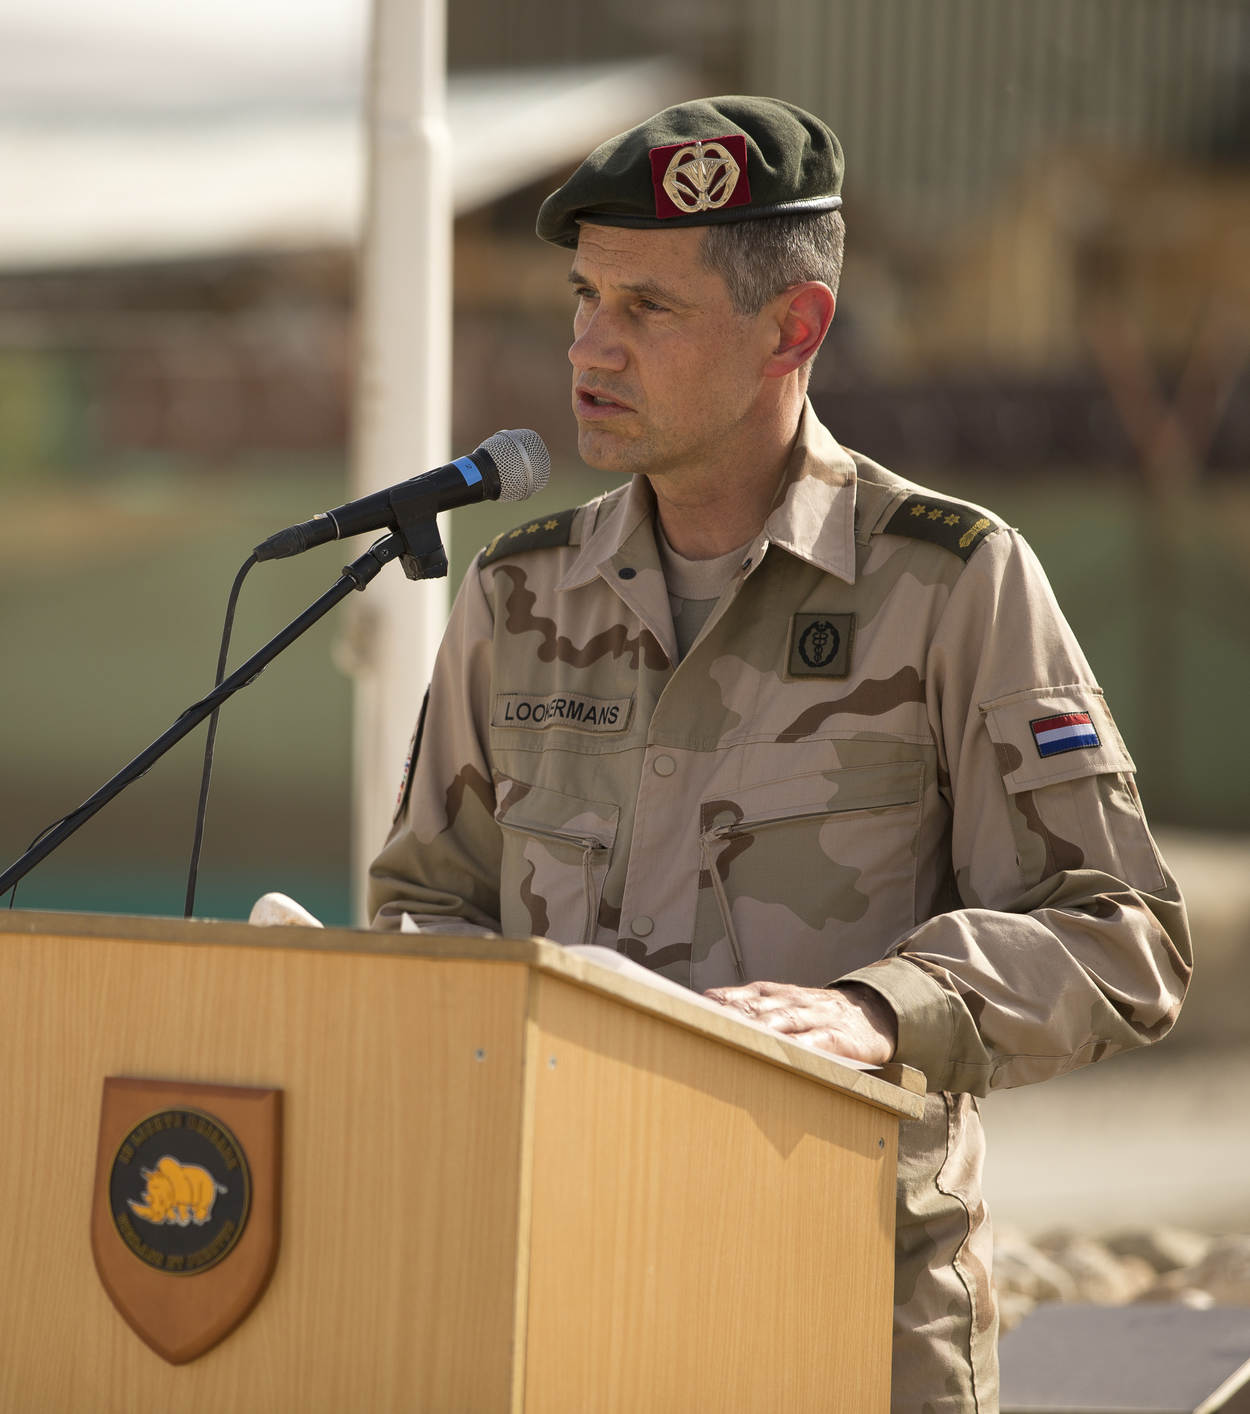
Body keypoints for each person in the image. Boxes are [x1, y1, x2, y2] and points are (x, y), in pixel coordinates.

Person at [368, 96, 1191, 1412]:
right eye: (584, 298)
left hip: (842, 1309)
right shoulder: (520, 598)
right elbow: (425, 900)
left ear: (793, 328)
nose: (589, 345)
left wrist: (881, 1010)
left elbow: (1120, 932)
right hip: (562, 1288)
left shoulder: (950, 584)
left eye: (647, 307)